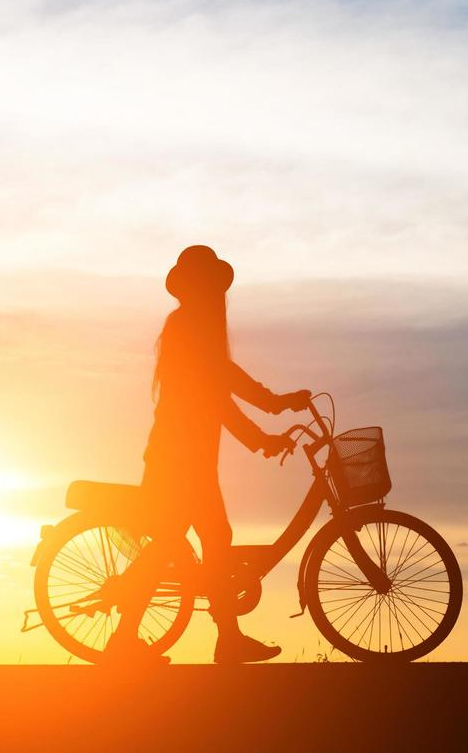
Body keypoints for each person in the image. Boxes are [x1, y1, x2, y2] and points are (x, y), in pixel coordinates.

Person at [107, 245, 311, 665]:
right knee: (179, 541)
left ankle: (220, 639)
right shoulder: (189, 329)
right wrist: (269, 420)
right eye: (213, 285)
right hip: (179, 460)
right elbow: (218, 395)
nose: (218, 294)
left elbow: (221, 385)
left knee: (203, 539)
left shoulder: (192, 328)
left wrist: (272, 411)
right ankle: (135, 639)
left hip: (188, 459)